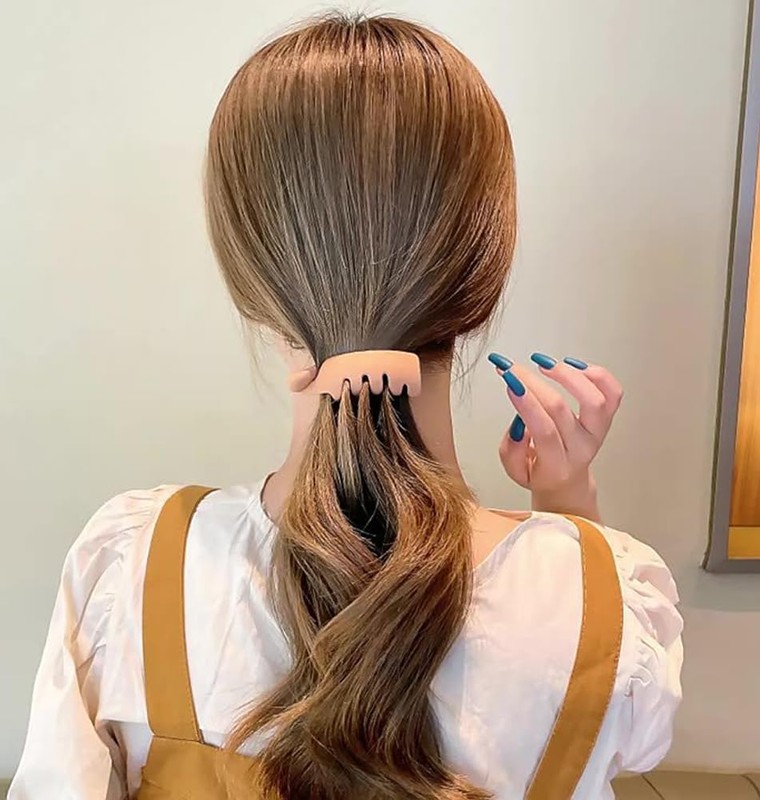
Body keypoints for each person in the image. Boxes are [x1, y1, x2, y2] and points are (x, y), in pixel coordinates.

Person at [10, 13, 682, 800]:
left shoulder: (132, 573)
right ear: (481, 276)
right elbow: (624, 731)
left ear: (253, 283)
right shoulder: (600, 601)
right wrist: (569, 512)